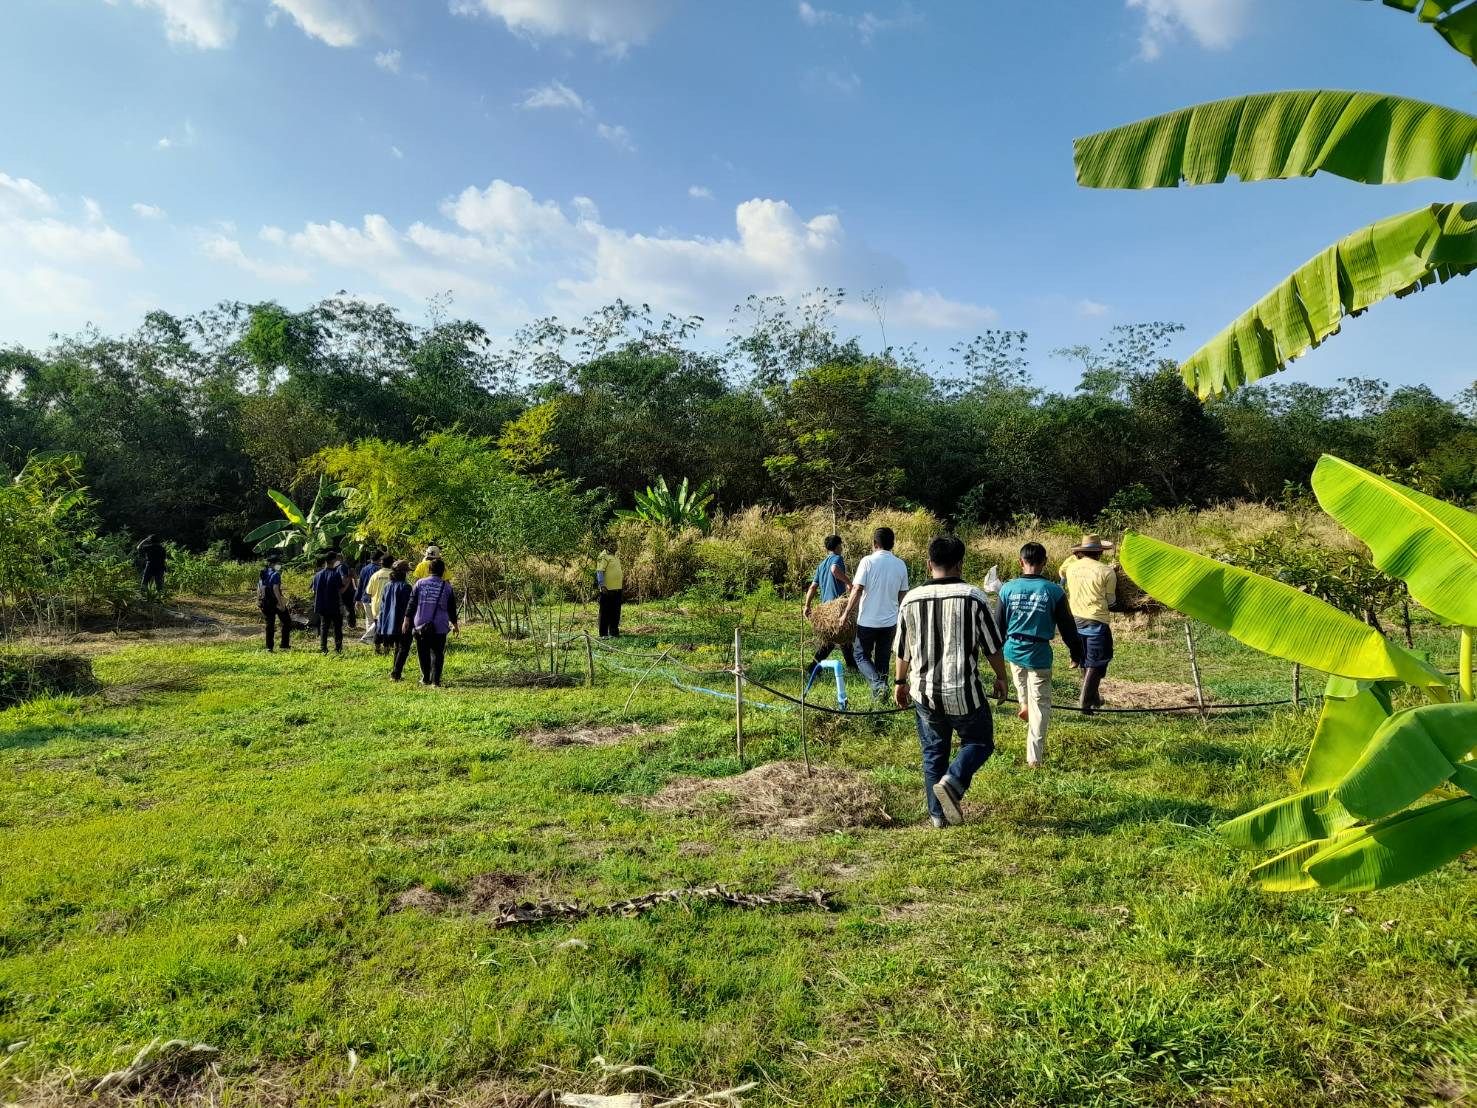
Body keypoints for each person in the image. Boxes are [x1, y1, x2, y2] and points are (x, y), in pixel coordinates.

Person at [893, 535, 1008, 829]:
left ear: (929, 563)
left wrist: (899, 682)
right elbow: (992, 645)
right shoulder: (973, 597)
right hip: (963, 690)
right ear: (960, 564)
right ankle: (954, 781)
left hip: (923, 690)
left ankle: (937, 816)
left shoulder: (911, 599)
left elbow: (903, 648)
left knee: (933, 751)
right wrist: (1001, 677)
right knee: (980, 741)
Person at [995, 542, 1084, 768]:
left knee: (1020, 681)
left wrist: (994, 652)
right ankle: (1034, 757)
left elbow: (999, 626)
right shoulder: (1054, 591)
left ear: (1020, 561)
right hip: (1039, 654)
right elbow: (1067, 628)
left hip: (1013, 650)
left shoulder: (1007, 589)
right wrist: (1076, 653)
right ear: (1045, 563)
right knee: (1041, 705)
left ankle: (1024, 703)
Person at [839, 527, 910, 699]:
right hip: (890, 622)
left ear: (874, 543)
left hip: (868, 621)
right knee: (883, 658)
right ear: (892, 544)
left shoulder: (867, 562)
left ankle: (878, 686)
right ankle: (880, 695)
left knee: (860, 655)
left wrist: (846, 613)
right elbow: (903, 596)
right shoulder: (900, 564)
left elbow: (857, 589)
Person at [1059, 534, 1118, 713]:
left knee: (1086, 659)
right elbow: (1111, 602)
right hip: (1096, 620)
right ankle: (1084, 703)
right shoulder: (1107, 572)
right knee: (1097, 661)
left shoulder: (1071, 569)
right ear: (1100, 552)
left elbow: (1062, 570)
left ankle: (1095, 698)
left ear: (1081, 552)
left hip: (1075, 619)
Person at [801, 535, 856, 674]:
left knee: (842, 637)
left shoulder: (821, 564)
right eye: (841, 545)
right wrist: (849, 583)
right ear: (838, 546)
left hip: (825, 609)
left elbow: (813, 587)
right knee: (838, 638)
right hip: (836, 606)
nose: (842, 548)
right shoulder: (837, 559)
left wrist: (807, 605)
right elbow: (834, 570)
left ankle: (852, 666)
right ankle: (812, 668)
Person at [406, 557, 459, 686]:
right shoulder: (447, 587)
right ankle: (435, 681)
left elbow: (412, 603)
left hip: (421, 623)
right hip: (440, 624)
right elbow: (451, 608)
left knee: (422, 652)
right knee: (437, 653)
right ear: (443, 572)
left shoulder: (419, 584)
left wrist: (406, 620)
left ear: (429, 570)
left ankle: (425, 678)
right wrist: (455, 625)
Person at [376, 560, 414, 679]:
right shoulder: (406, 587)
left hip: (390, 622)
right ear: (403, 573)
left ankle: (395, 671)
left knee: (398, 647)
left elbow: (383, 606)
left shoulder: (387, 586)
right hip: (403, 622)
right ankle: (396, 673)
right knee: (403, 648)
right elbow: (410, 606)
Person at [311, 552, 346, 653]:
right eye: (335, 559)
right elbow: (341, 590)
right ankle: (338, 648)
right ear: (332, 561)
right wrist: (348, 582)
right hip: (335, 605)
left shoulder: (317, 575)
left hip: (322, 605)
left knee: (324, 627)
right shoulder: (336, 574)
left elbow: (314, 590)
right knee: (337, 628)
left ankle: (323, 648)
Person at [258, 552, 290, 651]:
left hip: (265, 602)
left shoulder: (263, 572)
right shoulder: (276, 574)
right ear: (273, 564)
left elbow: (259, 587)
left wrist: (258, 600)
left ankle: (269, 647)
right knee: (287, 621)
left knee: (269, 625)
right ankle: (284, 645)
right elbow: (276, 590)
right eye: (278, 563)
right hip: (274, 602)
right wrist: (281, 604)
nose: (280, 565)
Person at [364, 553, 395, 653]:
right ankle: (387, 648)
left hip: (377, 606)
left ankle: (377, 648)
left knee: (378, 626)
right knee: (388, 627)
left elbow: (368, 592)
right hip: (391, 605)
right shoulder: (394, 574)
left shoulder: (375, 575)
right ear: (392, 563)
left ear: (381, 564)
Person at [595, 542, 624, 639]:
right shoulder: (603, 556)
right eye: (611, 544)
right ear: (606, 545)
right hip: (607, 590)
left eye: (615, 544)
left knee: (615, 612)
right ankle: (603, 634)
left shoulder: (614, 556)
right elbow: (599, 571)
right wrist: (602, 585)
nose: (614, 546)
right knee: (605, 612)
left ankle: (614, 632)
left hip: (617, 589)